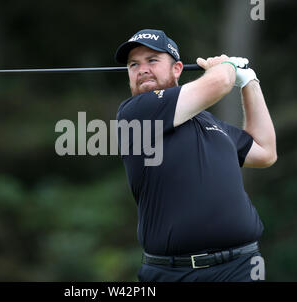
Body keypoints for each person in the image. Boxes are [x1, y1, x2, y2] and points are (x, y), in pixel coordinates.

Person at [114, 29, 277, 282]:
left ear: (177, 69)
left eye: (152, 60)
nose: (142, 69)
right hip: (174, 273)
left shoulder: (210, 123)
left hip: (242, 267)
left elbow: (265, 152)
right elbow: (220, 83)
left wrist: (249, 82)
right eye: (134, 64)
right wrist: (226, 66)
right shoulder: (136, 113)